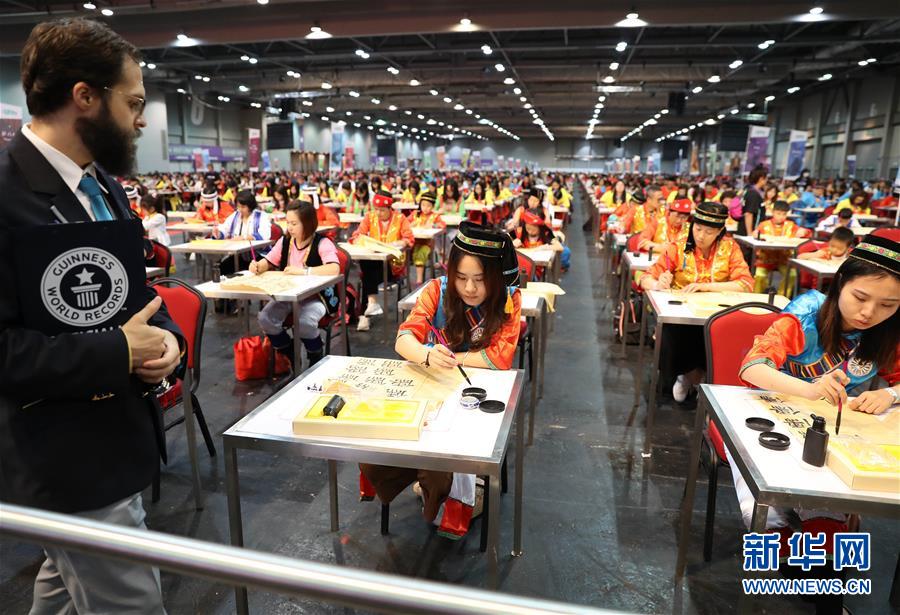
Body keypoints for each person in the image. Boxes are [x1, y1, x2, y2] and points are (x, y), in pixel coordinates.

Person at [1, 18, 185, 614]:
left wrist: (167, 342)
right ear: (85, 97)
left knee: (60, 588)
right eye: (132, 102)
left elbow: (133, 299)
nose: (140, 120)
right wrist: (117, 353)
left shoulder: (102, 187)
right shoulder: (7, 198)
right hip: (65, 457)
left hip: (115, 439)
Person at [737, 234, 900, 615]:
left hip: (835, 428)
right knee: (768, 518)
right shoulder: (805, 315)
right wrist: (810, 390)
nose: (869, 313)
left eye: (888, 304)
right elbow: (751, 367)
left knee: (824, 537)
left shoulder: (889, 332)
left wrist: (890, 395)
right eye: (861, 298)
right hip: (773, 414)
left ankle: (820, 553)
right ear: (841, 281)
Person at [360, 222, 522, 539]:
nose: (470, 288)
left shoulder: (508, 300)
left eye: (480, 279)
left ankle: (449, 489)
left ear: (495, 277)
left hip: (481, 393)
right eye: (462, 278)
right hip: (434, 386)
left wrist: (449, 356)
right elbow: (403, 340)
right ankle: (435, 481)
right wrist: (425, 354)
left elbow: (498, 358)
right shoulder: (437, 290)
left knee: (458, 432)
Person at [640, 202, 754, 401]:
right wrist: (659, 283)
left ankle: (708, 381)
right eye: (698, 229)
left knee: (724, 331)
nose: (700, 236)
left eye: (709, 232)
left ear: (719, 231)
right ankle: (687, 375)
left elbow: (746, 284)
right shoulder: (678, 246)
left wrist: (708, 287)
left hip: (716, 312)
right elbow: (645, 278)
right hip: (682, 315)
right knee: (676, 331)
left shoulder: (730, 248)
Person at [250, 200, 341, 370]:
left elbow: (334, 268)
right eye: (287, 222)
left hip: (316, 297)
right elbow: (269, 261)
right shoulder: (285, 241)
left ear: (307, 223)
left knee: (305, 321)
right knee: (265, 318)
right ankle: (288, 350)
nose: (289, 227)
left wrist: (306, 271)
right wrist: (258, 266)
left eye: (294, 223)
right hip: (289, 294)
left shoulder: (322, 243)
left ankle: (315, 353)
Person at [352, 189, 414, 331]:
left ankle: (364, 315)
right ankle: (371, 304)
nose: (378, 213)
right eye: (376, 209)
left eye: (382, 210)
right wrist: (361, 240)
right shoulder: (370, 217)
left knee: (367, 275)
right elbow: (357, 234)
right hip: (374, 261)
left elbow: (409, 238)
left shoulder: (400, 219)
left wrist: (399, 243)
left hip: (393, 266)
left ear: (389, 208)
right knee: (368, 265)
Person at [751, 200, 803, 294]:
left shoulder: (790, 225)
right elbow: (755, 233)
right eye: (778, 213)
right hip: (766, 258)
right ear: (772, 212)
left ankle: (781, 296)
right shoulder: (764, 225)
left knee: (792, 275)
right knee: (759, 275)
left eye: (784, 214)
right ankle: (758, 297)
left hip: (784, 259)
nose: (781, 217)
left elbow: (806, 232)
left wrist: (803, 231)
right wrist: (755, 234)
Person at [408, 191, 446, 287]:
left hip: (427, 243)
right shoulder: (415, 214)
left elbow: (443, 226)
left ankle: (419, 281)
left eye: (428, 205)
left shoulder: (434, 216)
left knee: (420, 253)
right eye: (423, 205)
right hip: (413, 242)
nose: (425, 208)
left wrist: (433, 225)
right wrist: (410, 224)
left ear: (433, 206)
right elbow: (405, 223)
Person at [740, 166, 767, 236]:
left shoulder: (748, 190)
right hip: (749, 231)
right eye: (766, 178)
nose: (766, 181)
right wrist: (749, 233)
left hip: (746, 229)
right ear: (761, 179)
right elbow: (748, 213)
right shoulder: (753, 194)